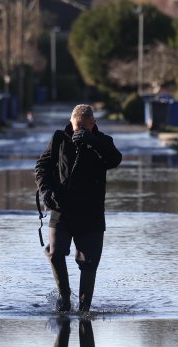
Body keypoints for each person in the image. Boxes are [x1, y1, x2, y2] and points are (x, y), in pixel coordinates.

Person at [35, 104, 122, 312]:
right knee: (55, 253)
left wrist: (92, 141)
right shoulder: (59, 139)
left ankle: (84, 309)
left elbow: (114, 159)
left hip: (91, 213)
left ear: (93, 124)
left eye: (84, 128)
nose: (79, 132)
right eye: (76, 127)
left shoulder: (103, 142)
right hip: (62, 209)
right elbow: (42, 167)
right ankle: (64, 297)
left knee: (89, 263)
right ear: (71, 123)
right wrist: (46, 191)